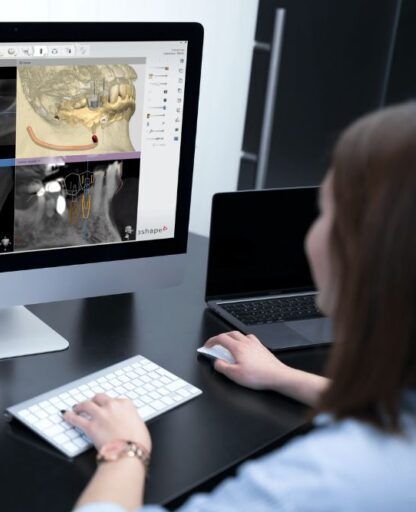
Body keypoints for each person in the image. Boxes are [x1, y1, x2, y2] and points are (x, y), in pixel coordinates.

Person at [64, 102, 416, 511]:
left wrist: (126, 450)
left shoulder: (319, 486)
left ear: (363, 251)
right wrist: (284, 377)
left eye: (324, 211)